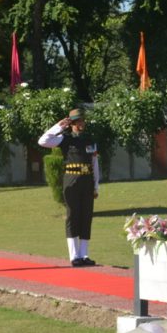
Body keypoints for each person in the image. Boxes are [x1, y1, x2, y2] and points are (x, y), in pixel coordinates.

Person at [38, 108, 100, 266]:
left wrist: (96, 185)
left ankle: (84, 254)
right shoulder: (65, 139)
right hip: (71, 179)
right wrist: (59, 126)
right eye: (77, 121)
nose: (80, 124)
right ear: (71, 124)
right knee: (73, 215)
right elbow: (43, 141)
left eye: (82, 121)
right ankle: (74, 256)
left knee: (86, 216)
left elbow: (94, 164)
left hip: (87, 180)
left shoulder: (90, 140)